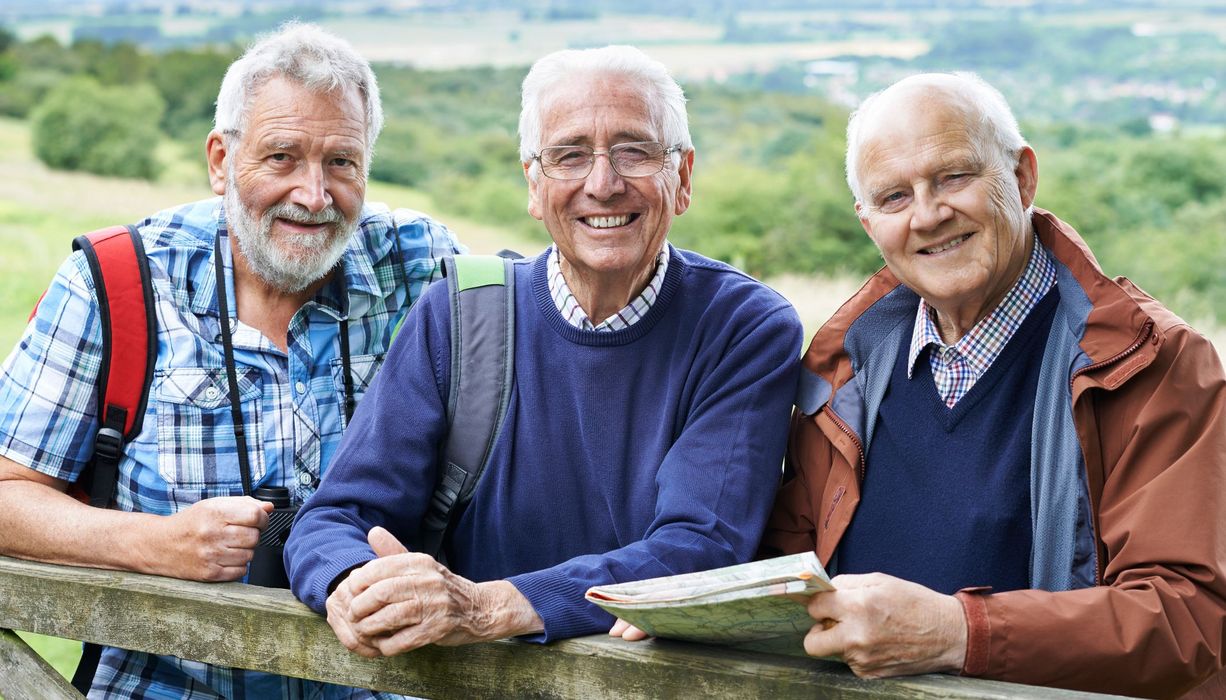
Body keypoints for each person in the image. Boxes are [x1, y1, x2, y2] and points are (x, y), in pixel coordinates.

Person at [284, 45, 803, 655]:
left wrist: (487, 606)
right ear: (533, 185)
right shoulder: (461, 313)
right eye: (569, 156)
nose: (603, 184)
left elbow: (699, 549)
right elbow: (334, 519)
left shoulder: (744, 327)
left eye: (634, 151)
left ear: (682, 177)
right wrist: (355, 583)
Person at [0, 22, 461, 698]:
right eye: (282, 157)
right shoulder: (120, 280)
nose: (314, 194)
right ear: (220, 160)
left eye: (342, 162)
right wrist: (153, 543)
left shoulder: (421, 266)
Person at [760, 72, 1226, 698]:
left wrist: (959, 632)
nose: (927, 215)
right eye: (894, 197)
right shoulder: (841, 368)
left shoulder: (1153, 364)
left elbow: (1189, 616)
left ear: (1023, 177)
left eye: (953, 177)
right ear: (868, 223)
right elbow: (787, 568)